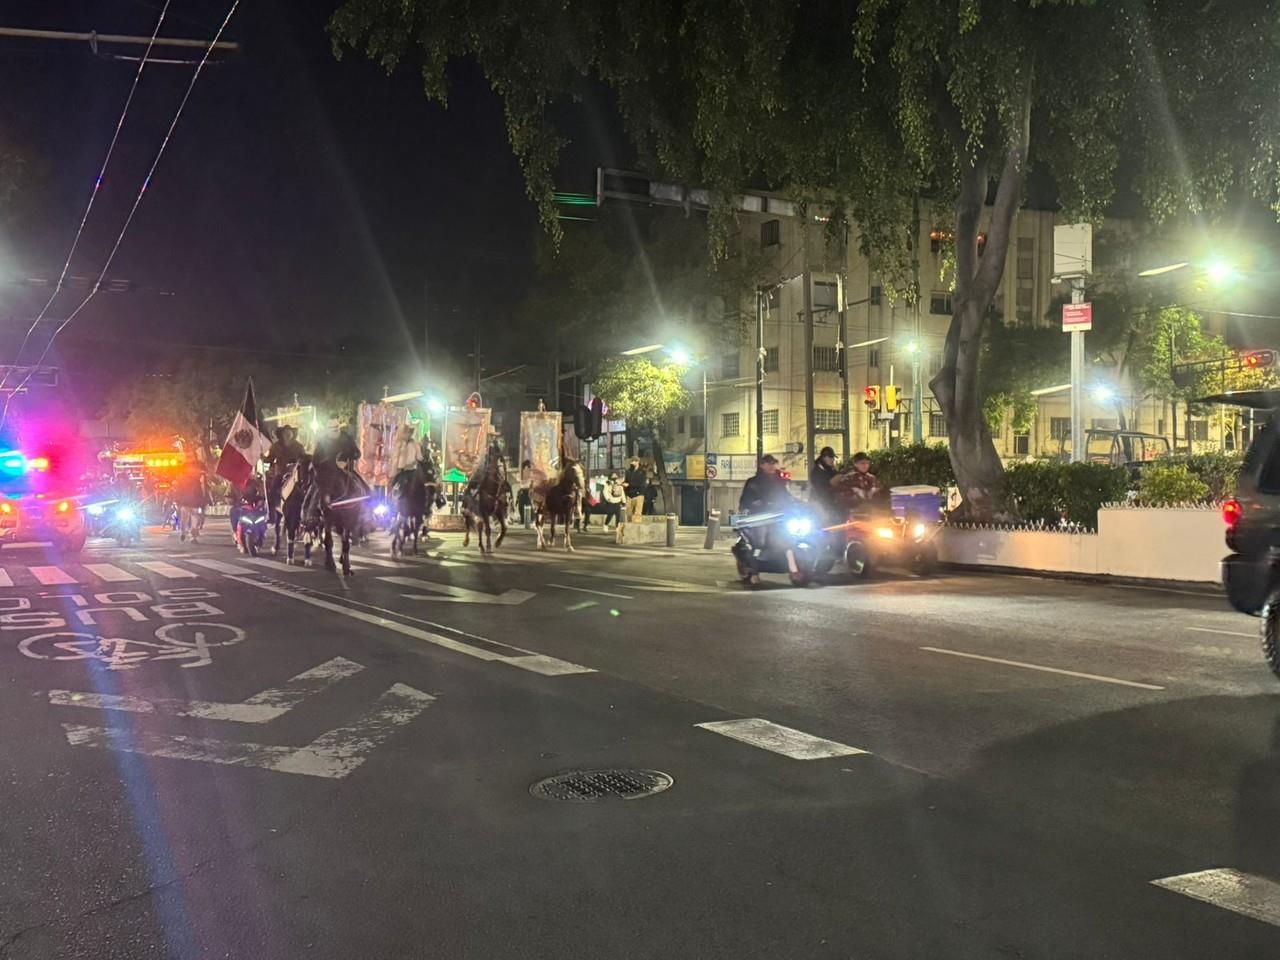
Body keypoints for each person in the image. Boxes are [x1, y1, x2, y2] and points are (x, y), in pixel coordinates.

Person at [172, 461, 209, 543]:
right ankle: (187, 534)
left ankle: (189, 535)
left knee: (192, 520)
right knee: (188, 519)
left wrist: (203, 500)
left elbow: (202, 491)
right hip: (188, 503)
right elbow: (179, 491)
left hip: (191, 503)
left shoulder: (197, 479)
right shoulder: (185, 479)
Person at [388, 424, 424, 497]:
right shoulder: (399, 444)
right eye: (405, 432)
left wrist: (413, 463)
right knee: (394, 482)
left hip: (411, 470)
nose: (407, 435)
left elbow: (420, 458)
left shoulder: (415, 445)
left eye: (408, 433)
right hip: (400, 470)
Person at [808, 446, 839, 521]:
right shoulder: (817, 471)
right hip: (819, 504)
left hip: (831, 503)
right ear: (824, 458)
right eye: (830, 457)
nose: (833, 460)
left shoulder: (831, 469)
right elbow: (821, 486)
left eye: (833, 457)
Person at [623, 457, 646, 524]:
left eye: (633, 461)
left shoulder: (642, 472)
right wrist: (623, 484)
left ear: (637, 462)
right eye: (631, 461)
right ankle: (629, 528)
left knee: (637, 514)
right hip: (629, 495)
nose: (631, 463)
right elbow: (626, 481)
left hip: (639, 495)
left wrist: (629, 485)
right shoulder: (628, 471)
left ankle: (636, 528)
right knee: (628, 514)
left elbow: (641, 483)